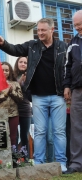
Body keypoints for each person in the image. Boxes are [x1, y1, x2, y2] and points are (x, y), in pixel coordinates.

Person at [0, 18, 67, 172]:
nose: (39, 33)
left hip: (58, 95)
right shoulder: (32, 46)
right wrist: (2, 43)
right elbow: (14, 49)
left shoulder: (62, 46)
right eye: (38, 30)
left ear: (52, 30)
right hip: (38, 97)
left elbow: (67, 68)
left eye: (43, 30)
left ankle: (61, 163)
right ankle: (39, 163)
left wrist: (67, 87)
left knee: (59, 131)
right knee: (40, 131)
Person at [63, 10, 82, 174]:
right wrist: (67, 86)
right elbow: (67, 67)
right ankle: (76, 163)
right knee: (76, 127)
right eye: (75, 25)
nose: (77, 28)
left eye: (80, 24)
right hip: (77, 90)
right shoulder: (73, 43)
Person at [0, 62, 23, 146]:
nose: (4, 72)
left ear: (10, 72)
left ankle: (13, 156)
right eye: (2, 70)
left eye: (6, 70)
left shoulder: (15, 83)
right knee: (0, 137)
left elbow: (20, 99)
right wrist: (4, 94)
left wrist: (11, 91)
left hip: (13, 114)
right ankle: (1, 158)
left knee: (13, 137)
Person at [13, 57, 32, 158]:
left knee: (24, 135)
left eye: (25, 62)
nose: (23, 64)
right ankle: (14, 158)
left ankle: (26, 158)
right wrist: (19, 82)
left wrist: (26, 83)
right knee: (14, 135)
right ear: (17, 63)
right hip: (13, 109)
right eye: (21, 62)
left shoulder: (30, 76)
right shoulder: (12, 76)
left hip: (25, 109)